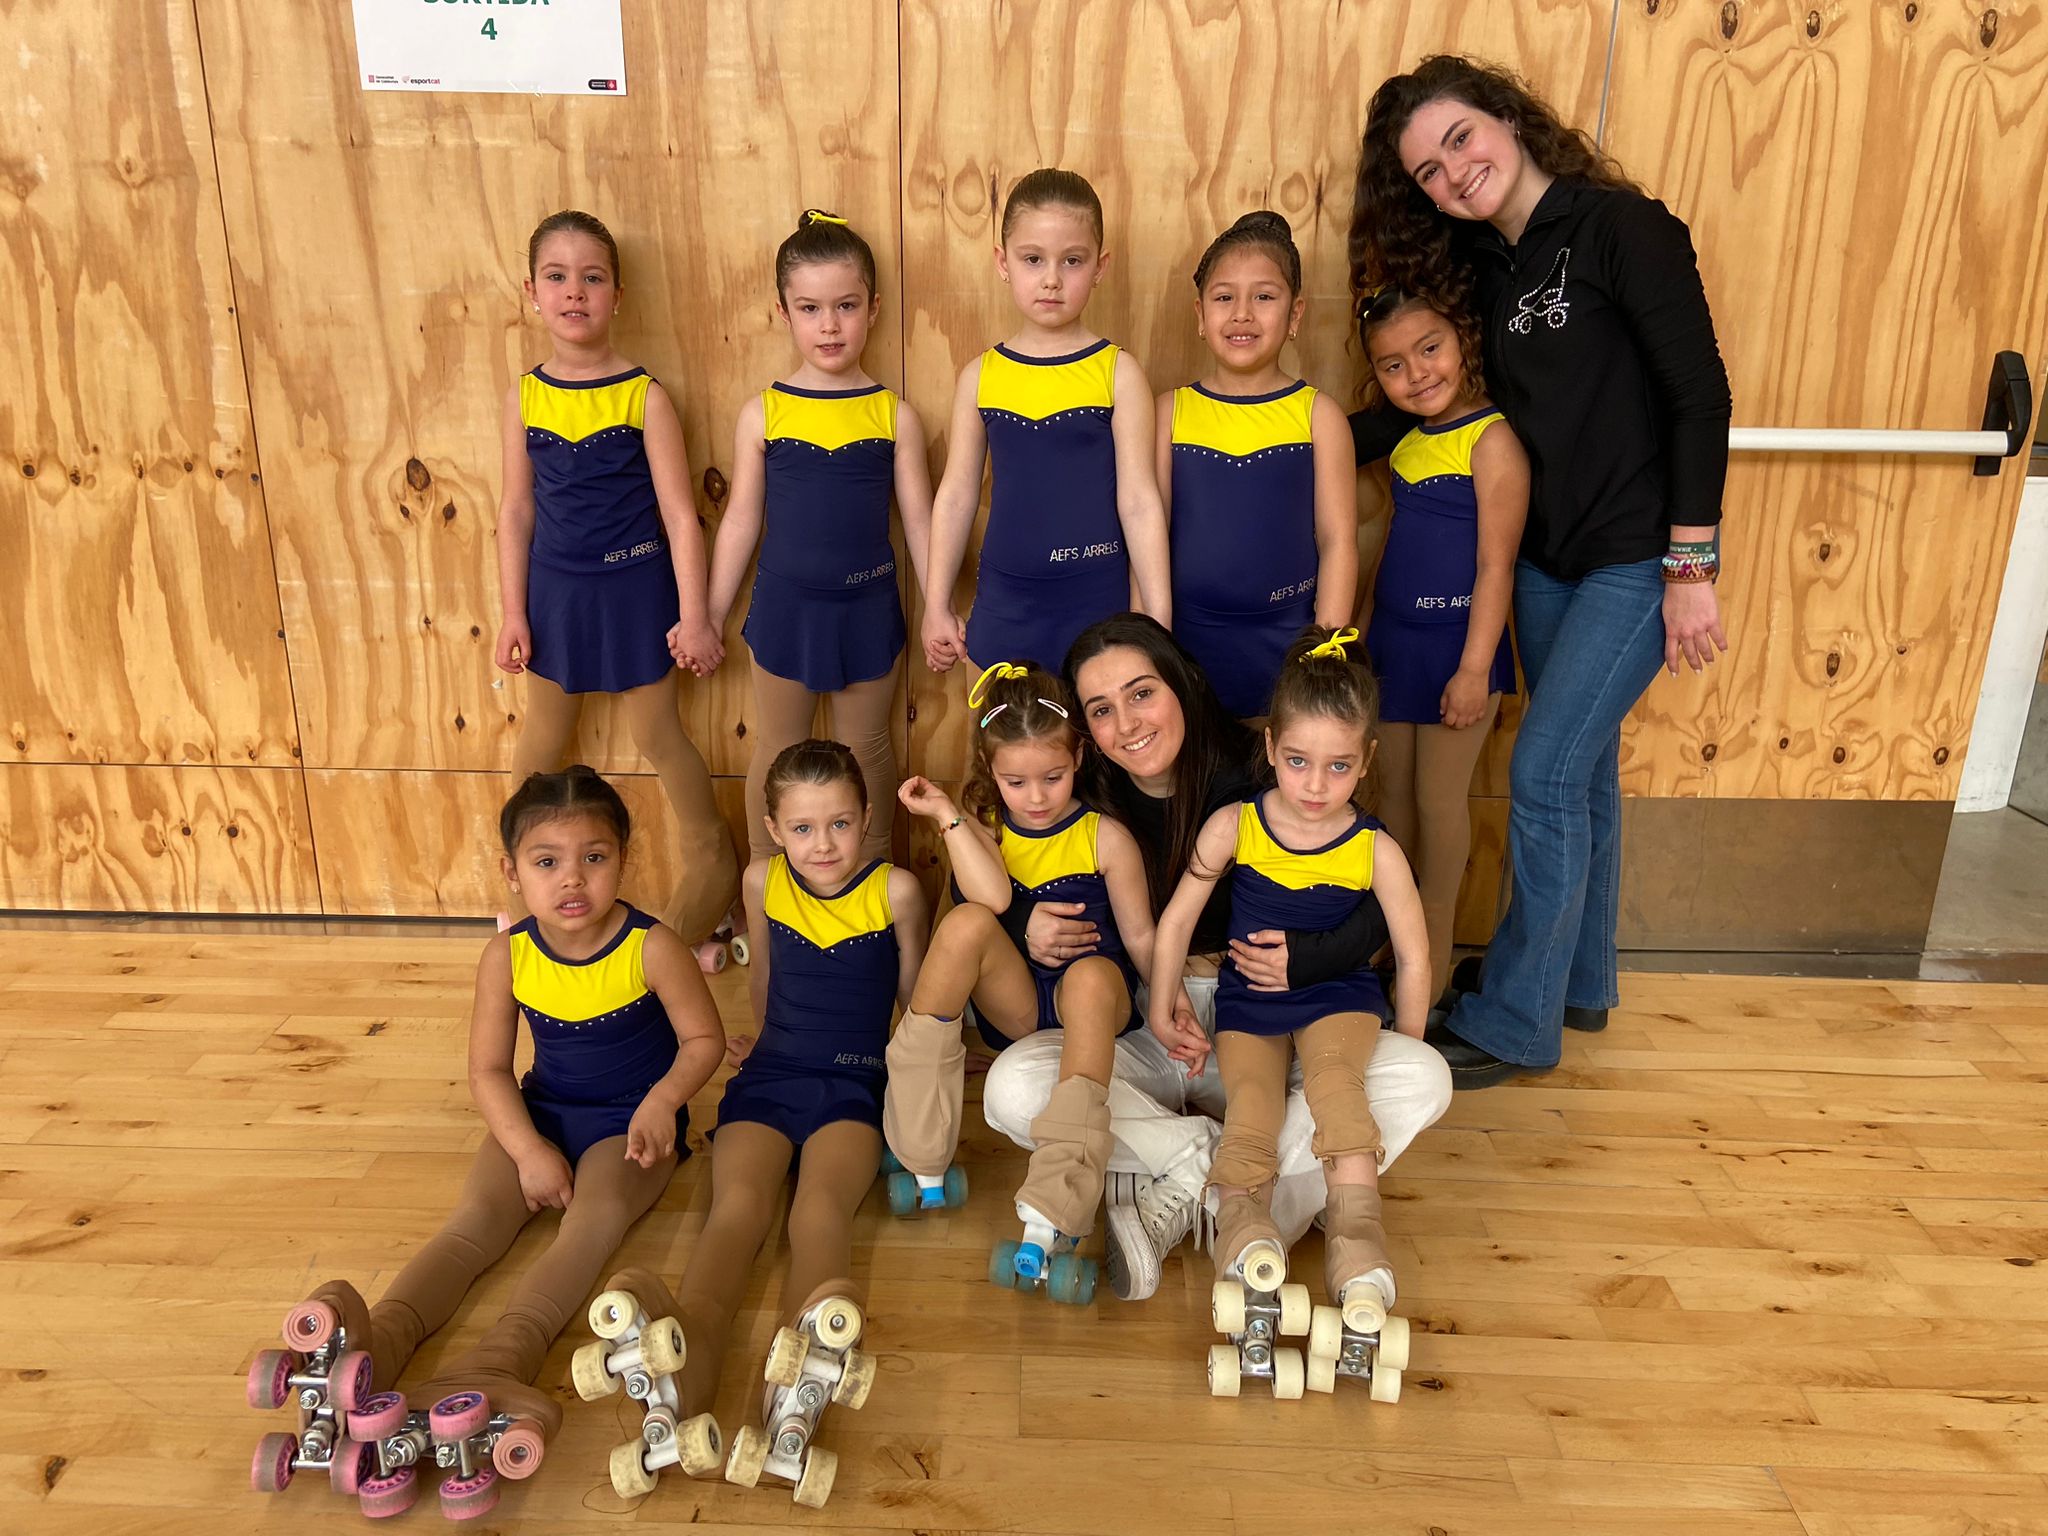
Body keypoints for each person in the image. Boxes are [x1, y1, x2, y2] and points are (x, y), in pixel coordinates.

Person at [1350, 55, 1731, 1084]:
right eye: (1427, 172)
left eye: (1459, 140)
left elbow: (1699, 398)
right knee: (1585, 773)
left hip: (1636, 561)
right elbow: (1420, 407)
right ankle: (1579, 985)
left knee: (1544, 772)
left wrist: (1690, 565)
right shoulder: (1486, 267)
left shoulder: (1622, 229)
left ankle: (1516, 1023)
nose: (1453, 174)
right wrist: (1290, 436)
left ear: (1508, 118)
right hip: (1545, 564)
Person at [250, 768, 724, 1518]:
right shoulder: (508, 956)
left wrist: (664, 1103)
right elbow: (488, 1071)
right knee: (473, 1225)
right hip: (541, 1111)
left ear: (623, 860)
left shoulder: (652, 946)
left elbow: (703, 1040)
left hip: (630, 1123)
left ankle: (503, 1357)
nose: (572, 879)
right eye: (547, 861)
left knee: (591, 1225)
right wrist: (528, 1149)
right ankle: (382, 1340)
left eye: (594, 858)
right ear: (512, 871)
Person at [980, 614, 1453, 1302]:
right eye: (1102, 710)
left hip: (1280, 1022)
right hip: (1152, 1026)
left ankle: (1199, 1191)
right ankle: (1213, 1172)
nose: (1128, 723)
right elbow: (997, 884)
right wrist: (1022, 921)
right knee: (1013, 1088)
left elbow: (1379, 901)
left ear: (1181, 683)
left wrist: (1308, 958)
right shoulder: (1069, 792)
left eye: (1143, 693)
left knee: (1424, 1077)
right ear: (1083, 735)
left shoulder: (1265, 770)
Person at [579, 741, 927, 1507]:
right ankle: (682, 1375)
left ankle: (799, 1387)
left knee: (819, 1212)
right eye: (802, 828)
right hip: (771, 1076)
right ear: (773, 829)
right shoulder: (761, 880)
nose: (823, 844)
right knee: (735, 1211)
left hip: (854, 1082)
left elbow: (918, 996)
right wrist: (758, 1041)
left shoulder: (897, 890)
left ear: (867, 817)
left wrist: (929, 1073)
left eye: (839, 823)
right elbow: (764, 976)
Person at [1149, 627, 1428, 1362]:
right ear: (1271, 747)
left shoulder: (1375, 848)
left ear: (1366, 760)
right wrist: (1158, 1003)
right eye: (1299, 760)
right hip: (1249, 1005)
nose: (1315, 785)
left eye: (1339, 766)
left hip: (1339, 999)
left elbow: (1413, 953)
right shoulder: (1235, 825)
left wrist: (1410, 1043)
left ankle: (1358, 1243)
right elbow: (1175, 921)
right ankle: (1245, 1235)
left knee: (1339, 1091)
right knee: (1252, 1109)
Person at [494, 210, 741, 972]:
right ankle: (525, 899)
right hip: (556, 598)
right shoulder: (526, 396)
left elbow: (681, 516)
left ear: (617, 294)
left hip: (637, 592)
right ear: (532, 291)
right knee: (540, 742)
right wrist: (512, 612)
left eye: (592, 277)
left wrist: (694, 616)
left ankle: (714, 878)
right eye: (558, 277)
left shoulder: (644, 396)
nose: (575, 292)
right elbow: (515, 512)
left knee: (658, 734)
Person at [888, 663, 1164, 1300]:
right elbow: (988, 898)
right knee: (963, 924)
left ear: (1079, 759)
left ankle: (1057, 1199)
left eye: (1052, 777)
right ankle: (919, 1144)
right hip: (1019, 1003)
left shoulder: (1104, 837)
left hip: (1093, 998)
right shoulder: (984, 828)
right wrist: (948, 814)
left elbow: (1141, 937)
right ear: (992, 773)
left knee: (1089, 976)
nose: (1036, 797)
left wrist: (1166, 1008)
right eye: (1016, 782)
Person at [705, 211, 938, 873]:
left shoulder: (893, 415)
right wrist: (708, 615)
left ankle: (874, 884)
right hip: (785, 613)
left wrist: (939, 611)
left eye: (845, 306)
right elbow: (740, 521)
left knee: (869, 751)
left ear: (873, 308)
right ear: (784, 312)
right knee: (780, 751)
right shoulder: (765, 412)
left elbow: (920, 523)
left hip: (868, 613)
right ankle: (764, 879)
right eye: (810, 309)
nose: (829, 325)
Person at [922, 170, 1171, 674]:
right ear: (1003, 262)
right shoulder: (981, 376)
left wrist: (1157, 615)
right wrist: (935, 603)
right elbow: (956, 496)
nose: (1052, 279)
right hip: (1005, 603)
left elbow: (1141, 501)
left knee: (1099, 725)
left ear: (1099, 267)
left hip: (1098, 604)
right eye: (1033, 259)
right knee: (998, 727)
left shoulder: (1118, 373)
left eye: (1072, 261)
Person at [1356, 283, 1527, 1002]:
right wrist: (1362, 639)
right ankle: (1383, 953)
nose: (1417, 373)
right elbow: (1393, 549)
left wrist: (1474, 668)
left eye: (1430, 349)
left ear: (1463, 341)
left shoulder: (1493, 440)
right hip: (1396, 652)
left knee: (1438, 807)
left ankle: (1425, 973)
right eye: (1393, 365)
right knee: (1390, 807)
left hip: (1458, 655)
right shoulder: (1406, 443)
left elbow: (1496, 566)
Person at [1161, 210, 1358, 719]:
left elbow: (1338, 541)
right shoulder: (1169, 413)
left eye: (1265, 297)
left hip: (1290, 645)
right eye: (1224, 298)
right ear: (1200, 314)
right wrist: (1151, 640)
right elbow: (1148, 536)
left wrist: (1324, 652)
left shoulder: (1318, 415)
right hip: (1186, 644)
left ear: (1295, 315)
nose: (1242, 314)